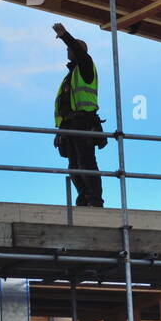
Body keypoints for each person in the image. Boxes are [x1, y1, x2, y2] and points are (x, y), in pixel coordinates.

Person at [52, 22, 105, 207]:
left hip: (83, 122)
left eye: (71, 48)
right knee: (74, 167)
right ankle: (84, 199)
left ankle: (95, 201)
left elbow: (78, 50)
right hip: (69, 125)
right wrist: (61, 129)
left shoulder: (85, 66)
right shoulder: (71, 75)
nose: (68, 51)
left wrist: (65, 35)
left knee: (86, 163)